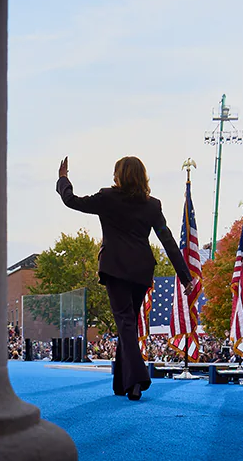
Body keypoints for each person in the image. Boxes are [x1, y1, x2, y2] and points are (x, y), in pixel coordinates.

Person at [56, 156, 194, 401]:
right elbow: (167, 240)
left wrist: (63, 179)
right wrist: (185, 277)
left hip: (116, 268)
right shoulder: (153, 205)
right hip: (141, 271)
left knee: (126, 323)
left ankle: (138, 378)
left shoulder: (107, 197)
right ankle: (122, 383)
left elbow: (71, 201)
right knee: (127, 324)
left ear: (120, 176)